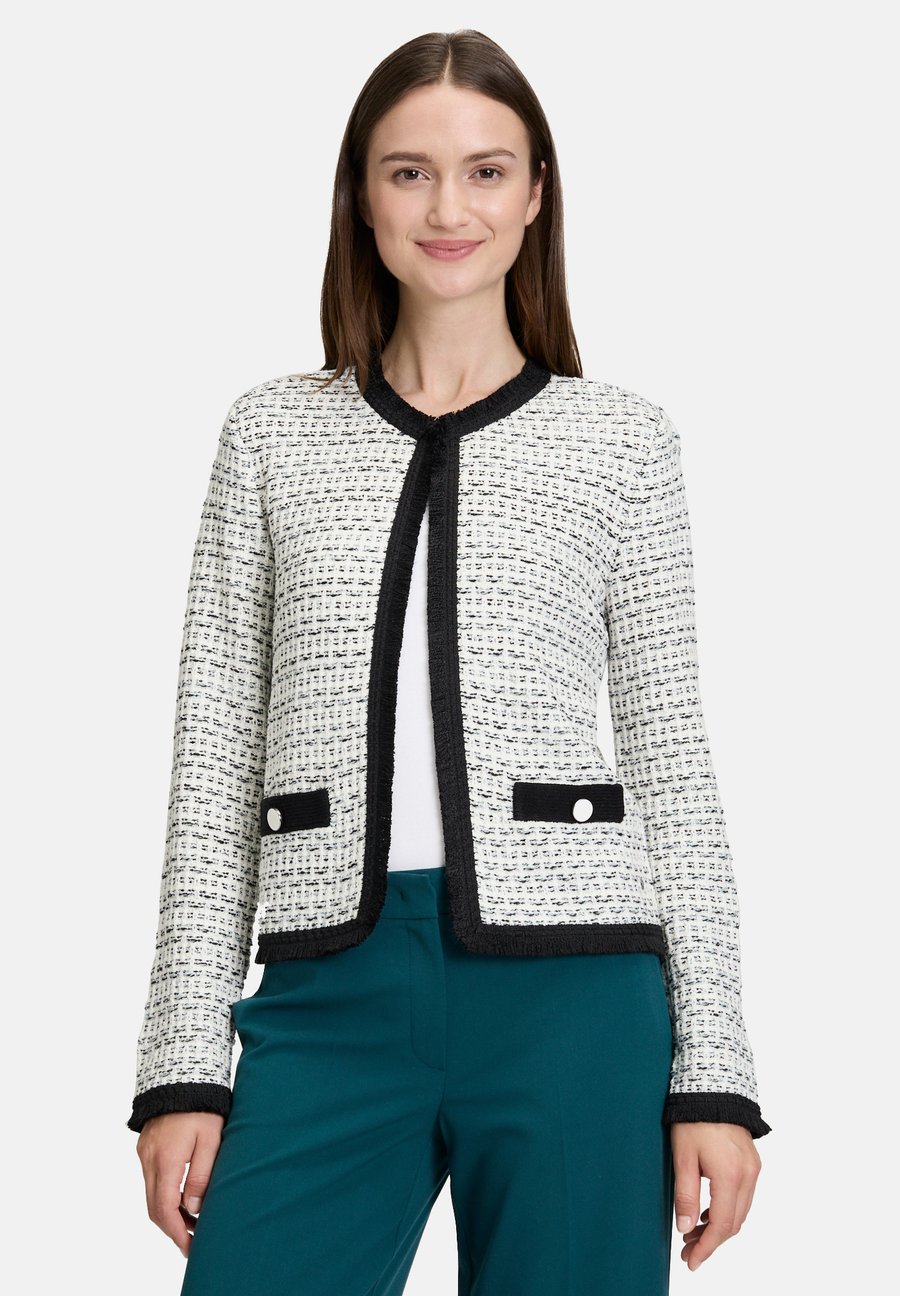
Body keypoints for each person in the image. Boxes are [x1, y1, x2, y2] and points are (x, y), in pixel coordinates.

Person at [128, 28, 771, 1295]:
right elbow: (213, 764)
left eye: (486, 171)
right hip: (329, 995)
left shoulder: (624, 443)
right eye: (409, 171)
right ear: (362, 197)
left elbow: (674, 766)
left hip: (577, 1001)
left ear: (535, 196)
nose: (448, 209)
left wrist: (716, 1074)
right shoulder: (270, 435)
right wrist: (181, 1063)